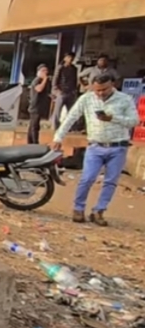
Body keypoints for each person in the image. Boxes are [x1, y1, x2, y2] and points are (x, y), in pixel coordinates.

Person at [53, 74, 138, 226]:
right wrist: (58, 137)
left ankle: (99, 211)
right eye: (97, 90)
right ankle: (78, 209)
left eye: (104, 89)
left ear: (112, 84)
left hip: (118, 147)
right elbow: (71, 117)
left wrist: (113, 118)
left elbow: (134, 121)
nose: (100, 93)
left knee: (110, 181)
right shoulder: (87, 98)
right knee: (87, 179)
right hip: (95, 146)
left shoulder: (125, 99)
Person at [52, 52, 79, 129]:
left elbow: (75, 80)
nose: (71, 59)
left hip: (70, 92)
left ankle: (71, 127)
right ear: (65, 58)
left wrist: (74, 90)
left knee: (71, 111)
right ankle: (56, 126)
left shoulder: (74, 69)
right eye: (69, 57)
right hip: (61, 91)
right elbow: (55, 79)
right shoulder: (60, 67)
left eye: (72, 58)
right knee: (57, 111)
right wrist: (56, 90)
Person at [27, 64, 52, 145]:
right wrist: (45, 79)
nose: (46, 73)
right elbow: (39, 89)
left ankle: (30, 142)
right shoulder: (37, 80)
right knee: (34, 126)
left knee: (33, 125)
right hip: (35, 106)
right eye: (43, 71)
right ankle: (34, 142)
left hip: (40, 106)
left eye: (46, 71)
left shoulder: (44, 81)